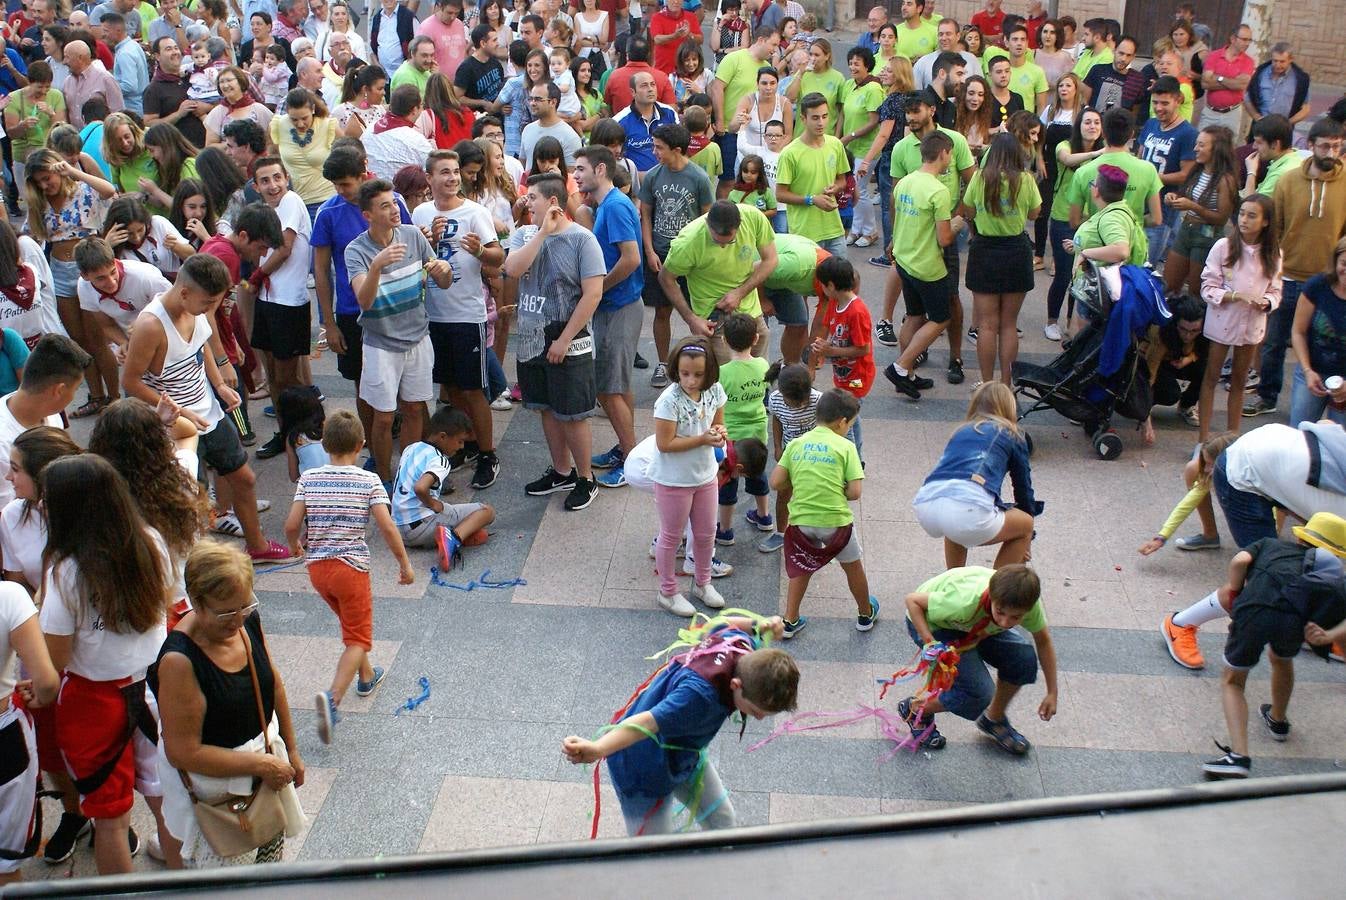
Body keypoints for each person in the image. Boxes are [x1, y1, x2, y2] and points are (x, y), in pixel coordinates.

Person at [39, 453, 176, 874]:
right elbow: (167, 607)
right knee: (166, 804)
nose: (42, 505)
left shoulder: (66, 572)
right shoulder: (151, 541)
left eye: (47, 498)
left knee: (111, 820)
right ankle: (183, 883)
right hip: (157, 688)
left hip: (94, 702)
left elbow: (56, 659)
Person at [121, 254, 292, 562]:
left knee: (245, 478)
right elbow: (131, 382)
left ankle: (257, 545)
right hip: (177, 427)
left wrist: (221, 385)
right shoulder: (151, 325)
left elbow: (202, 347)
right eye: (208, 302)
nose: (211, 309)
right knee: (194, 502)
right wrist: (178, 411)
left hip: (209, 411)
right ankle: (200, 567)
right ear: (184, 292)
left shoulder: (196, 308)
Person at [561, 614, 797, 835]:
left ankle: (719, 869)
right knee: (654, 849)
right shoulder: (698, 697)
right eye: (755, 711)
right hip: (641, 766)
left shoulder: (742, 648)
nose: (758, 718)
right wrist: (598, 748)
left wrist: (759, 624)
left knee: (723, 821)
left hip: (685, 755)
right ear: (736, 685)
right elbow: (647, 722)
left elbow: (719, 622)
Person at [152, 540, 307, 868]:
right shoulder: (180, 661)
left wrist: (291, 750)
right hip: (222, 793)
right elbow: (182, 752)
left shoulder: (247, 621)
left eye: (244, 606)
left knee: (268, 860)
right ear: (196, 602)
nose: (237, 620)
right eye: (225, 612)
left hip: (265, 773)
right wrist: (261, 766)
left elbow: (272, 681)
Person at [1159, 513, 1346, 778]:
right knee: (1281, 660)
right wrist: (1327, 638)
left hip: (1255, 611)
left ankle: (1239, 757)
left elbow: (1240, 560)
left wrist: (1236, 593)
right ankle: (1278, 721)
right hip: (1293, 621)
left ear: (1299, 536)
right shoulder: (1333, 577)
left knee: (1233, 681)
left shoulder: (1271, 545)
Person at [284, 408, 412, 744]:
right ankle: (333, 699)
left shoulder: (309, 478)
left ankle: (366, 676)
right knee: (357, 638)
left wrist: (295, 546)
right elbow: (386, 525)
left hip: (318, 570)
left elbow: (291, 524)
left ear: (324, 445)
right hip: (350, 568)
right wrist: (404, 564)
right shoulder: (368, 480)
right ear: (361, 444)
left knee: (350, 624)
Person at [506, 174, 606, 511]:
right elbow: (513, 269)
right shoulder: (524, 234)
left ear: (552, 203)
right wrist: (541, 234)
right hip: (532, 338)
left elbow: (592, 294)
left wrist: (564, 339)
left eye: (531, 197)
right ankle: (561, 471)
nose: (525, 202)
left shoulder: (582, 240)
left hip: (568, 336)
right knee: (545, 407)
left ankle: (585, 476)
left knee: (573, 412)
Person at [344, 180, 452, 485]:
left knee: (415, 409)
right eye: (385, 205)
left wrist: (444, 271)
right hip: (381, 344)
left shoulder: (413, 236)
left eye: (394, 203)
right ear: (367, 215)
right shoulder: (357, 251)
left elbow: (443, 281)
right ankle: (383, 477)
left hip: (418, 337)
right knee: (383, 417)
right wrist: (377, 266)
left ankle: (406, 475)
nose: (394, 210)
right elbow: (363, 301)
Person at [411, 149, 505, 489]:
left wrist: (480, 250)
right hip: (432, 316)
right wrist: (429, 241)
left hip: (467, 315)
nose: (452, 178)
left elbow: (498, 258)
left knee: (474, 388)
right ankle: (459, 446)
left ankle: (487, 453)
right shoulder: (420, 212)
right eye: (444, 173)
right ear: (429, 178)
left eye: (455, 172)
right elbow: (412, 258)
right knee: (448, 387)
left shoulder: (475, 212)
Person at [900, 562, 1058, 755]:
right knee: (980, 693)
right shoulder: (964, 602)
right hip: (933, 623)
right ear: (992, 596)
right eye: (1001, 612)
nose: (1006, 622)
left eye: (1016, 618)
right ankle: (916, 709)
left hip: (978, 625)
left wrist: (1052, 692)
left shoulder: (1026, 605)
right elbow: (912, 601)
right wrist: (930, 643)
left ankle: (993, 719)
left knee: (1022, 658)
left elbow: (1043, 642)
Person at [1246, 119, 1346, 419]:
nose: (1332, 152)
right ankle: (1267, 394)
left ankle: (1331, 397)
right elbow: (1274, 229)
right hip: (1287, 275)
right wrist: (1271, 268)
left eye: (1338, 146)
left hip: (1330, 282)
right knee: (1275, 341)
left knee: (1329, 340)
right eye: (1326, 145)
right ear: (1311, 146)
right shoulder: (1289, 181)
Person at [884, 91, 973, 384]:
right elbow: (945, 238)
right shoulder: (937, 188)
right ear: (944, 154)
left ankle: (916, 369)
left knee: (913, 313)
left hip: (908, 253)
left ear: (932, 111)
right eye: (906, 113)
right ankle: (901, 366)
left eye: (915, 111)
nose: (910, 118)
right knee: (941, 314)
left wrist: (897, 241)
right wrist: (958, 223)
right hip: (929, 257)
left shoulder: (912, 178)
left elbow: (896, 200)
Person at [913, 381, 1041, 570]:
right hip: (966, 509)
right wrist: (1027, 536)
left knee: (955, 523)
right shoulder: (1011, 433)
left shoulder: (961, 431)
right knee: (1025, 524)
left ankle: (955, 582)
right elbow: (1024, 491)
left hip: (927, 505)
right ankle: (994, 592)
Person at [645, 335, 728, 614]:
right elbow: (665, 444)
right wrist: (704, 439)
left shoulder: (715, 390)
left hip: (705, 476)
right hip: (673, 480)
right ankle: (667, 592)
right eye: (684, 374)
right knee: (671, 536)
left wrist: (719, 434)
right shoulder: (668, 400)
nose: (690, 380)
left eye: (698, 375)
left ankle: (703, 583)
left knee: (706, 534)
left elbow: (718, 422)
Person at [1196, 194, 1281, 442]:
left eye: (1252, 215)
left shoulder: (1273, 253)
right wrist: (1233, 296)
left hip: (1252, 324)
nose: (1244, 220)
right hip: (1222, 321)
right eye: (1242, 213)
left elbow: (1275, 291)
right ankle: (1203, 440)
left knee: (1239, 381)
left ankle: (1233, 438)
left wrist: (1265, 302)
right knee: (1211, 377)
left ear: (1265, 222)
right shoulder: (1223, 246)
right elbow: (1208, 287)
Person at [959, 132, 1040, 387]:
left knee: (986, 326)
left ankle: (986, 382)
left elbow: (968, 210)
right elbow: (1036, 213)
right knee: (1008, 325)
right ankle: (1006, 384)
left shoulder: (980, 179)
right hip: (1016, 251)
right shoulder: (1025, 180)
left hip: (985, 250)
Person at [246, 155, 313, 462]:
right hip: (268, 301)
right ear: (256, 186)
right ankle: (286, 433)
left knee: (289, 379)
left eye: (276, 178)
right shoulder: (263, 209)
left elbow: (284, 248)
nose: (272, 185)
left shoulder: (291, 202)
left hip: (289, 301)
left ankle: (309, 433)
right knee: (273, 374)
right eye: (264, 180)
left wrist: (256, 277)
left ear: (286, 178)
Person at [637, 123, 713, 388]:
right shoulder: (653, 177)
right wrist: (649, 250)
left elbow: (707, 219)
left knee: (698, 311)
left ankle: (703, 363)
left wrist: (701, 257)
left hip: (691, 258)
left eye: (659, 147)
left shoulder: (699, 178)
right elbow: (646, 214)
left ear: (677, 150)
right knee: (662, 311)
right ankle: (663, 363)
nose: (654, 152)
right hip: (660, 252)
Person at [660, 200, 776, 363]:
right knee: (724, 374)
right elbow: (666, 278)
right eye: (716, 241)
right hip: (714, 315)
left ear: (740, 224)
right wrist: (691, 319)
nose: (722, 246)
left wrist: (740, 293)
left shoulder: (753, 217)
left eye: (729, 241)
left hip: (750, 309)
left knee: (759, 368)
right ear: (707, 222)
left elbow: (770, 260)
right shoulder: (688, 242)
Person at [389, 404, 495, 565]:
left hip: (397, 529)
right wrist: (432, 504)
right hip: (420, 526)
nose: (461, 447)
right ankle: (453, 538)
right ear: (443, 437)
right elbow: (420, 487)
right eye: (459, 441)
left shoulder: (412, 447)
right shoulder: (440, 460)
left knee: (480, 533)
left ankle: (451, 534)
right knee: (487, 512)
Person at [1163, 124, 1238, 300]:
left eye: (1202, 145)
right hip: (1186, 229)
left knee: (1196, 292)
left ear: (1216, 149)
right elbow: (1186, 195)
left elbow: (1221, 218)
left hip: (1206, 237)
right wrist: (1173, 197)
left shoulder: (1225, 180)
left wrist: (1193, 206)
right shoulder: (1197, 170)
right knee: (1168, 286)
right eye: (1197, 144)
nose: (1195, 149)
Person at [1139, 431, 1240, 557]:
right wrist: (1161, 537)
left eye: (1211, 464)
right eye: (1206, 463)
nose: (1207, 469)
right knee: (1193, 469)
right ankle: (1210, 536)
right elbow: (1187, 503)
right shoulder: (1211, 471)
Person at [75, 236, 173, 363]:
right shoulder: (84, 288)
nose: (111, 282)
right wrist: (125, 344)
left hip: (167, 334)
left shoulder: (144, 277)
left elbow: (176, 306)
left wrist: (147, 321)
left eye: (112, 272)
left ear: (115, 261)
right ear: (85, 276)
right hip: (135, 340)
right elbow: (107, 325)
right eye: (101, 278)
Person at [810, 256, 872, 454]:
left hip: (858, 378)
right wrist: (821, 346)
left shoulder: (857, 312)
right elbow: (826, 327)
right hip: (844, 373)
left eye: (822, 285)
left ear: (831, 285)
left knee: (845, 419)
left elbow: (864, 349)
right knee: (852, 416)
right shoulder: (834, 303)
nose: (821, 289)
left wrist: (831, 351)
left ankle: (851, 458)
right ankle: (857, 457)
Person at [1067, 109, 1161, 237]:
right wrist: (1132, 222)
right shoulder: (1148, 169)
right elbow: (1156, 219)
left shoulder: (1083, 172)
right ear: (1132, 135)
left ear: (1103, 133)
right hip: (1132, 246)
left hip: (1095, 245)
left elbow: (1074, 221)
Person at [775, 92, 848, 256]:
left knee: (842, 279)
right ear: (803, 119)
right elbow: (780, 194)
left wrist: (835, 188)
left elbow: (843, 180)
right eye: (815, 118)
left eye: (824, 116)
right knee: (810, 281)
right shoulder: (790, 153)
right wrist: (811, 200)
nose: (821, 122)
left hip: (834, 228)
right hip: (805, 233)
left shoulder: (835, 145)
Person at [712, 25, 781, 198]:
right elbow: (717, 88)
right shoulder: (734, 58)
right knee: (728, 180)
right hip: (730, 130)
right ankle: (723, 214)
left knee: (754, 181)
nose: (775, 50)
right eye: (773, 45)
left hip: (756, 134)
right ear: (761, 40)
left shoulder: (766, 68)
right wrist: (720, 120)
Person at [1288, 237, 1346, 427]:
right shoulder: (1317, 286)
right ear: (1335, 261)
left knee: (1340, 445)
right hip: (1312, 370)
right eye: (1344, 263)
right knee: (1300, 435)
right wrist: (1307, 370)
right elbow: (1298, 331)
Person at [270, 88, 338, 218]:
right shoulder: (279, 124)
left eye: (304, 118)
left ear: (313, 109)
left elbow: (347, 154)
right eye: (294, 119)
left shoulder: (327, 125)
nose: (300, 124)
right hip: (294, 201)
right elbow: (273, 157)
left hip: (326, 199)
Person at [614, 70, 678, 173]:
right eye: (644, 86)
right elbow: (615, 162)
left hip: (669, 179)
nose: (650, 89)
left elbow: (679, 150)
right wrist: (639, 177)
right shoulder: (619, 121)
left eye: (653, 84)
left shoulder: (669, 113)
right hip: (635, 183)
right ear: (633, 92)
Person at [1244, 42, 1311, 137]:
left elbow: (1305, 108)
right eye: (1275, 61)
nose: (1277, 65)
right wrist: (1257, 117)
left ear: (1291, 59)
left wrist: (1287, 123)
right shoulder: (1260, 74)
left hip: (1283, 131)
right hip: (1259, 127)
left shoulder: (1300, 79)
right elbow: (1247, 99)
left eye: (1282, 61)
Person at [1200, 23, 1254, 137]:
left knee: (1228, 150)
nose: (1247, 43)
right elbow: (1205, 83)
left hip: (1232, 113)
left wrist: (1218, 78)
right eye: (1244, 39)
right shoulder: (1214, 56)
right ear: (1233, 39)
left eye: (1250, 40)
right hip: (1210, 112)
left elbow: (1241, 85)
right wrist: (1232, 82)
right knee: (1202, 145)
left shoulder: (1248, 61)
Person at [204, 65, 275, 145]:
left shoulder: (258, 109)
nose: (225, 85)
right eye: (221, 82)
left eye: (229, 80)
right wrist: (232, 146)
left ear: (240, 82)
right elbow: (210, 146)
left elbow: (270, 143)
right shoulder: (217, 112)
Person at [61, 40, 123, 131]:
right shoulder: (67, 82)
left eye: (67, 57)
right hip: (76, 141)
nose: (64, 62)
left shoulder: (106, 79)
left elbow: (118, 115)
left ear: (80, 58)